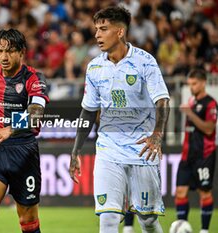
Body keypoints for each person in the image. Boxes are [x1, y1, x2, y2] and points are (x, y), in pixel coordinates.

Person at [69, 6, 170, 233]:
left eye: (103, 29)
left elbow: (162, 100)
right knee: (108, 219)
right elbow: (87, 111)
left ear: (120, 32)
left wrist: (157, 135)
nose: (97, 35)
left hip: (142, 150)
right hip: (108, 151)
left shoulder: (145, 62)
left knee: (148, 220)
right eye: (96, 29)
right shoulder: (94, 67)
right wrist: (76, 150)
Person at [0, 28, 49, 233]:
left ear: (21, 52)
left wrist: (9, 129)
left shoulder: (34, 78)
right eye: (0, 51)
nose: (4, 57)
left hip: (23, 153)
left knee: (28, 222)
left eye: (10, 51)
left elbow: (36, 113)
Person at [175, 69, 217, 233]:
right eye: (189, 84)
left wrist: (190, 114)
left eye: (194, 83)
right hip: (187, 155)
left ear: (203, 82)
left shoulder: (210, 103)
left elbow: (209, 129)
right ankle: (181, 227)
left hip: (204, 155)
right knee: (180, 191)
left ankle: (204, 230)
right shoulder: (191, 101)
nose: (191, 87)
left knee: (205, 193)